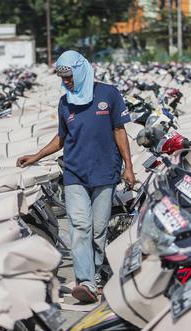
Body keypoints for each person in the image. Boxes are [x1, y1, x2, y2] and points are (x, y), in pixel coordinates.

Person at [16, 50, 135, 303]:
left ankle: (97, 276)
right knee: (81, 226)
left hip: (105, 172)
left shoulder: (109, 94)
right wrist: (36, 156)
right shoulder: (65, 102)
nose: (66, 82)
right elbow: (61, 138)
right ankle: (86, 282)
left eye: (69, 76)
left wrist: (129, 167)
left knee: (99, 230)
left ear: (81, 70)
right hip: (74, 174)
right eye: (63, 78)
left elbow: (119, 130)